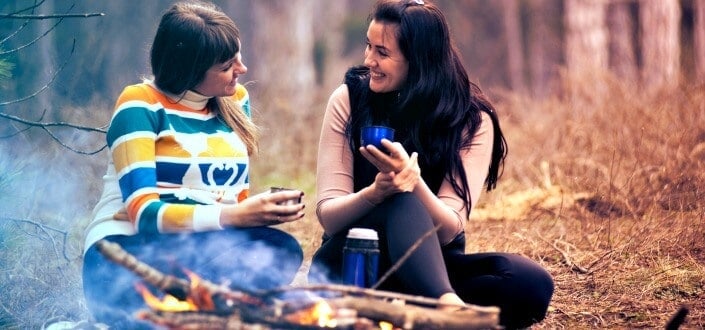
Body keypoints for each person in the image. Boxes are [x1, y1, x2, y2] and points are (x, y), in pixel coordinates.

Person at [308, 0, 554, 328]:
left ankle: (427, 307)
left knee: (529, 283)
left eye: (382, 52)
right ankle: (445, 307)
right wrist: (375, 194)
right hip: (353, 262)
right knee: (398, 198)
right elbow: (329, 216)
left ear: (419, 61)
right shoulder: (349, 100)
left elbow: (450, 228)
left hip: (430, 265)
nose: (369, 60)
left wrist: (414, 182)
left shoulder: (472, 120)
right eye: (369, 46)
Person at [81, 1, 305, 327]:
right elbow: (144, 215)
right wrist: (235, 215)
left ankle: (190, 314)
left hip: (194, 251)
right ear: (189, 70)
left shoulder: (236, 100)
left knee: (280, 248)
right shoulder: (140, 104)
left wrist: (257, 212)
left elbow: (233, 199)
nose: (241, 70)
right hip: (125, 254)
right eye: (227, 65)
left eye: (238, 57)